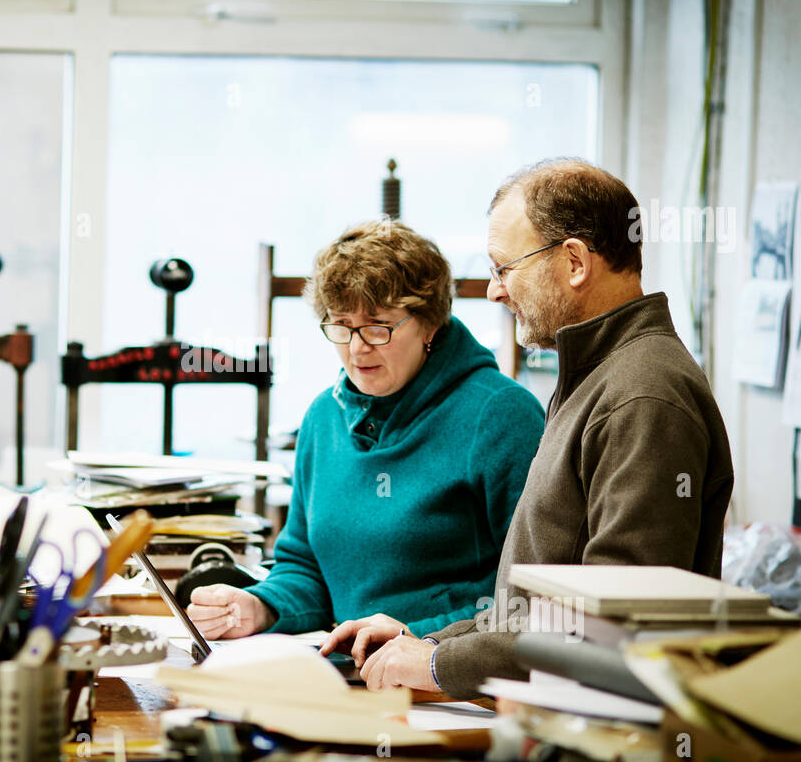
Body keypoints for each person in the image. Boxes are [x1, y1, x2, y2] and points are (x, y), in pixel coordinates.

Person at [321, 159, 734, 696]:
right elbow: (538, 608)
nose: (495, 292)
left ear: (575, 262)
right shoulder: (597, 375)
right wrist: (428, 644)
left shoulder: (642, 395)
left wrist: (438, 666)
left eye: (504, 269)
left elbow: (613, 629)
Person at [185, 219, 544, 640]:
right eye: (340, 325)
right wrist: (261, 606)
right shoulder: (323, 417)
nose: (356, 348)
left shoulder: (500, 414)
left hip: (454, 682)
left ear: (429, 323)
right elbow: (304, 567)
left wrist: (416, 635)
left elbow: (533, 598)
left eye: (377, 327)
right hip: (349, 670)